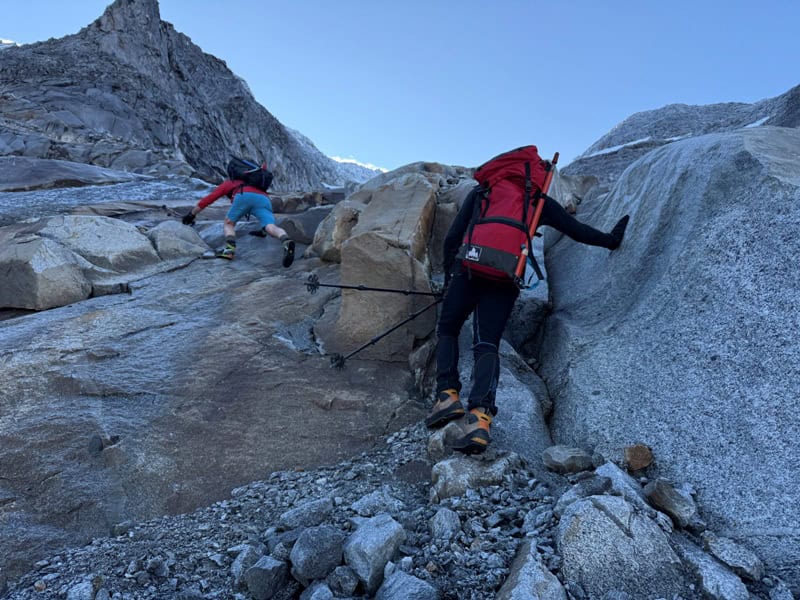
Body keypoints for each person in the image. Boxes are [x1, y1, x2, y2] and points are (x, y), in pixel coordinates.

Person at [425, 177, 630, 454]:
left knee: (448, 329)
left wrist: (451, 277)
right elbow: (576, 230)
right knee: (486, 344)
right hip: (505, 278)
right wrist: (611, 240)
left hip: (468, 272)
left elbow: (453, 238)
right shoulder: (538, 200)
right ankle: (479, 422)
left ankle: (447, 396)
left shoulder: (483, 192)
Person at [181, 176, 295, 267]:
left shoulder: (230, 182)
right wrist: (262, 232)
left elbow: (208, 200)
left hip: (243, 195)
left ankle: (229, 251)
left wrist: (191, 214)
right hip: (264, 199)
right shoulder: (256, 184)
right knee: (270, 226)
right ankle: (285, 240)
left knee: (229, 223)